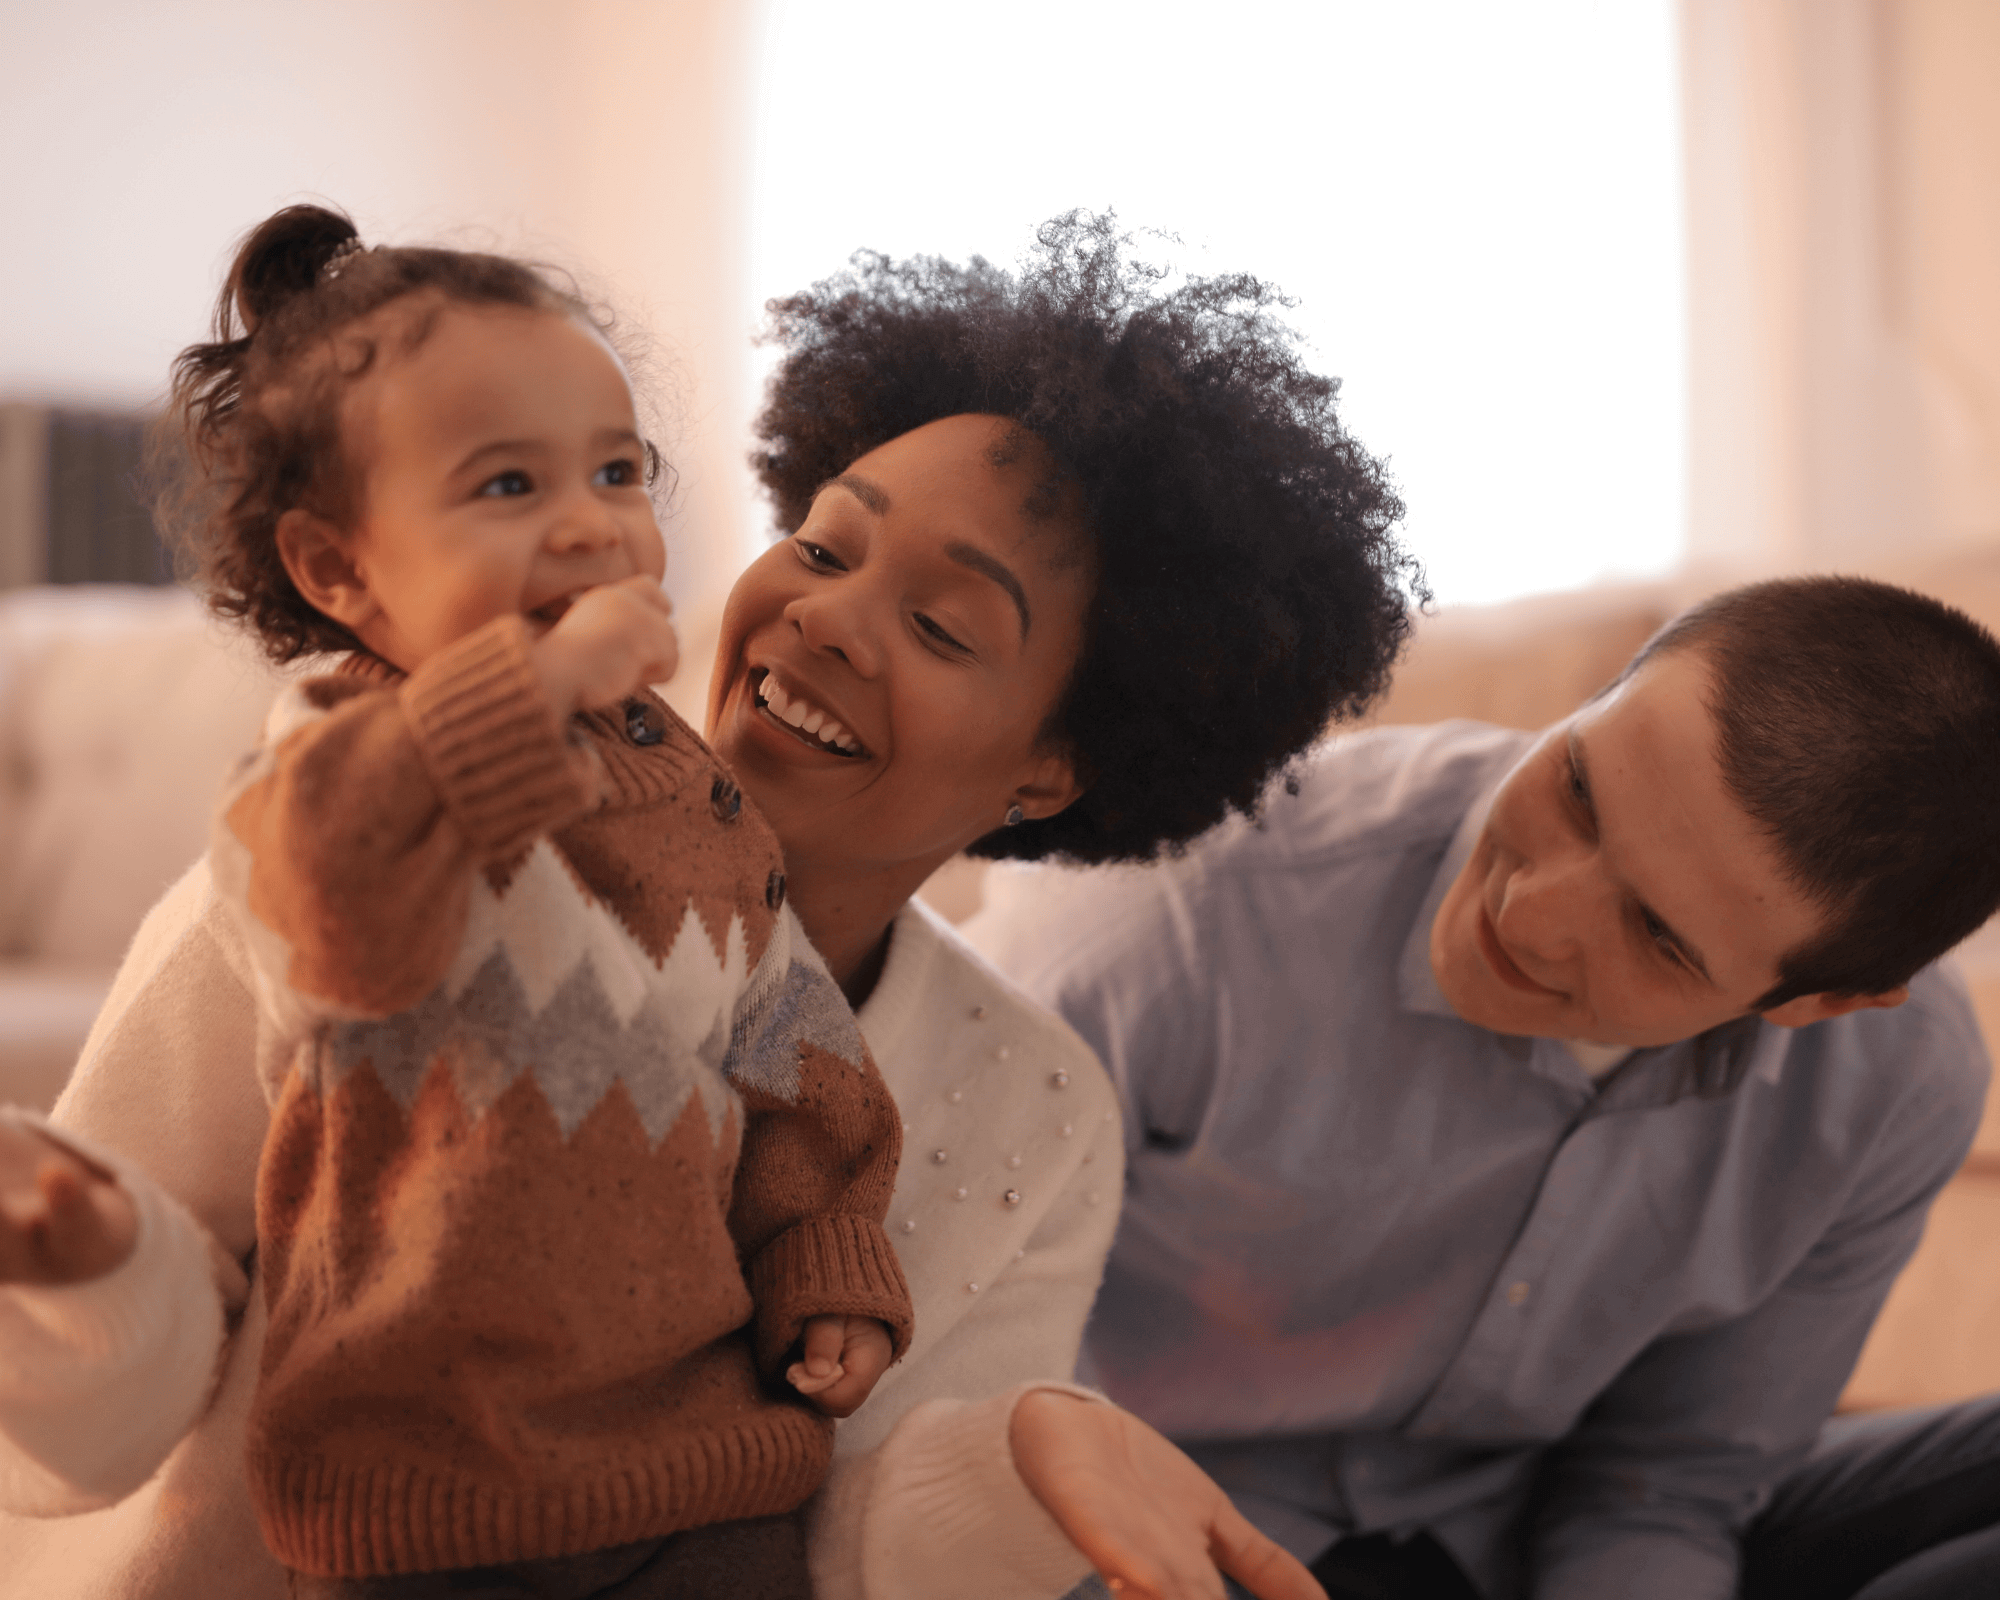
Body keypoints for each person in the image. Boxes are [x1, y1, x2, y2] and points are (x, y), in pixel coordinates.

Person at [0, 213, 1420, 1600]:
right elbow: (66, 1445)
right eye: (820, 545)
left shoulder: (1038, 1115)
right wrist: (98, 1273)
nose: (824, 618)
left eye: (938, 626)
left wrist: (1024, 1460)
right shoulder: (368, 843)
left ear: (1053, 766)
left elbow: (843, 1545)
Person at [10, 203, 918, 1599]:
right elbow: (334, 915)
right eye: (508, 489)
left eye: (617, 473)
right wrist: (538, 689)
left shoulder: (689, 791)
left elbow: (788, 1045)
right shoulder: (331, 765)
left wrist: (825, 1251)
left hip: (712, 1480)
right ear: (338, 569)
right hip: (428, 1506)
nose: (591, 528)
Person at [967, 575, 2000, 1600]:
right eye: (1580, 791)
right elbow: (900, 1359)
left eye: (1655, 934)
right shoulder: (1175, 911)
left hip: (1518, 1525)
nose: (1528, 911)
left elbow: (1667, 1484)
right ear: (1602, 693)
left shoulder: (1897, 1085)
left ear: (1815, 1001)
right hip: (1157, 1523)